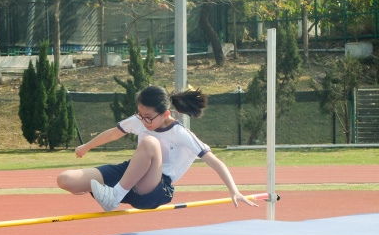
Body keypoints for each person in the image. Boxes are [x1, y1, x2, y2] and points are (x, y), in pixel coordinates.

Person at [57, 85, 258, 212]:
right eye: (140, 115)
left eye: (148, 117)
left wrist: (234, 190)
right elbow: (113, 133)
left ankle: (114, 196)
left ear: (166, 114)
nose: (144, 121)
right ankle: (113, 194)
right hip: (130, 175)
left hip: (155, 189)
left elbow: (214, 161)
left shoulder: (180, 134)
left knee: (150, 142)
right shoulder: (140, 120)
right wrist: (86, 146)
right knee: (65, 179)